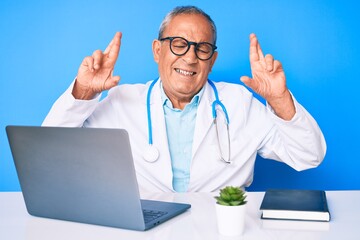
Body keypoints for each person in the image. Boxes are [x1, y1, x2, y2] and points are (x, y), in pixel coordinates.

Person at [43, 6, 326, 193]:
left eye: (202, 48)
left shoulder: (240, 103)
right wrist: (84, 91)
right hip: (142, 229)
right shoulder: (122, 101)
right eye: (179, 44)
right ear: (157, 50)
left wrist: (279, 99)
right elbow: (50, 152)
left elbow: (309, 156)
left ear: (212, 60)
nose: (190, 57)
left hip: (221, 227)